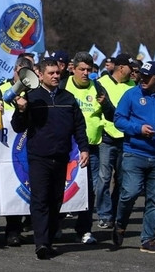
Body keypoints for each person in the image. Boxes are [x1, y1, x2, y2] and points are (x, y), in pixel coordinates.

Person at [12, 58, 89, 260]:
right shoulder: (31, 97)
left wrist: (84, 148)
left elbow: (79, 125)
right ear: (41, 75)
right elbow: (18, 127)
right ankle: (41, 243)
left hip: (61, 157)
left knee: (56, 200)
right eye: (51, 73)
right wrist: (21, 110)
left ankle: (49, 239)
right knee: (40, 200)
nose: (55, 76)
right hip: (39, 157)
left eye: (57, 73)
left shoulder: (68, 98)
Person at [112, 61, 155, 253]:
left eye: (147, 77)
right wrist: (138, 129)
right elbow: (118, 119)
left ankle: (148, 239)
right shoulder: (131, 94)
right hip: (134, 152)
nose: (142, 79)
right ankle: (120, 223)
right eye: (141, 75)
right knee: (130, 192)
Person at [61, 51, 114, 245]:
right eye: (81, 69)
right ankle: (56, 224)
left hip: (91, 148)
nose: (85, 73)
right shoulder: (63, 85)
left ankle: (84, 229)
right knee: (60, 188)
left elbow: (111, 115)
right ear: (73, 69)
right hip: (66, 147)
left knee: (89, 190)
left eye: (88, 70)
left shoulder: (97, 87)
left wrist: (105, 105)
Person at [0, 55, 35, 247]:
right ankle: (13, 231)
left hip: (29, 142)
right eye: (21, 71)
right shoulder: (3, 88)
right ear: (15, 70)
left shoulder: (34, 89)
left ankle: (33, 225)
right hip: (8, 147)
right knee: (13, 186)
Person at [95, 54, 136, 229]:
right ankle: (104, 214)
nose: (133, 71)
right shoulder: (101, 82)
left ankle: (115, 212)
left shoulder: (133, 86)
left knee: (121, 179)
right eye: (130, 68)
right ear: (121, 67)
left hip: (126, 138)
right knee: (104, 178)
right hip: (107, 137)